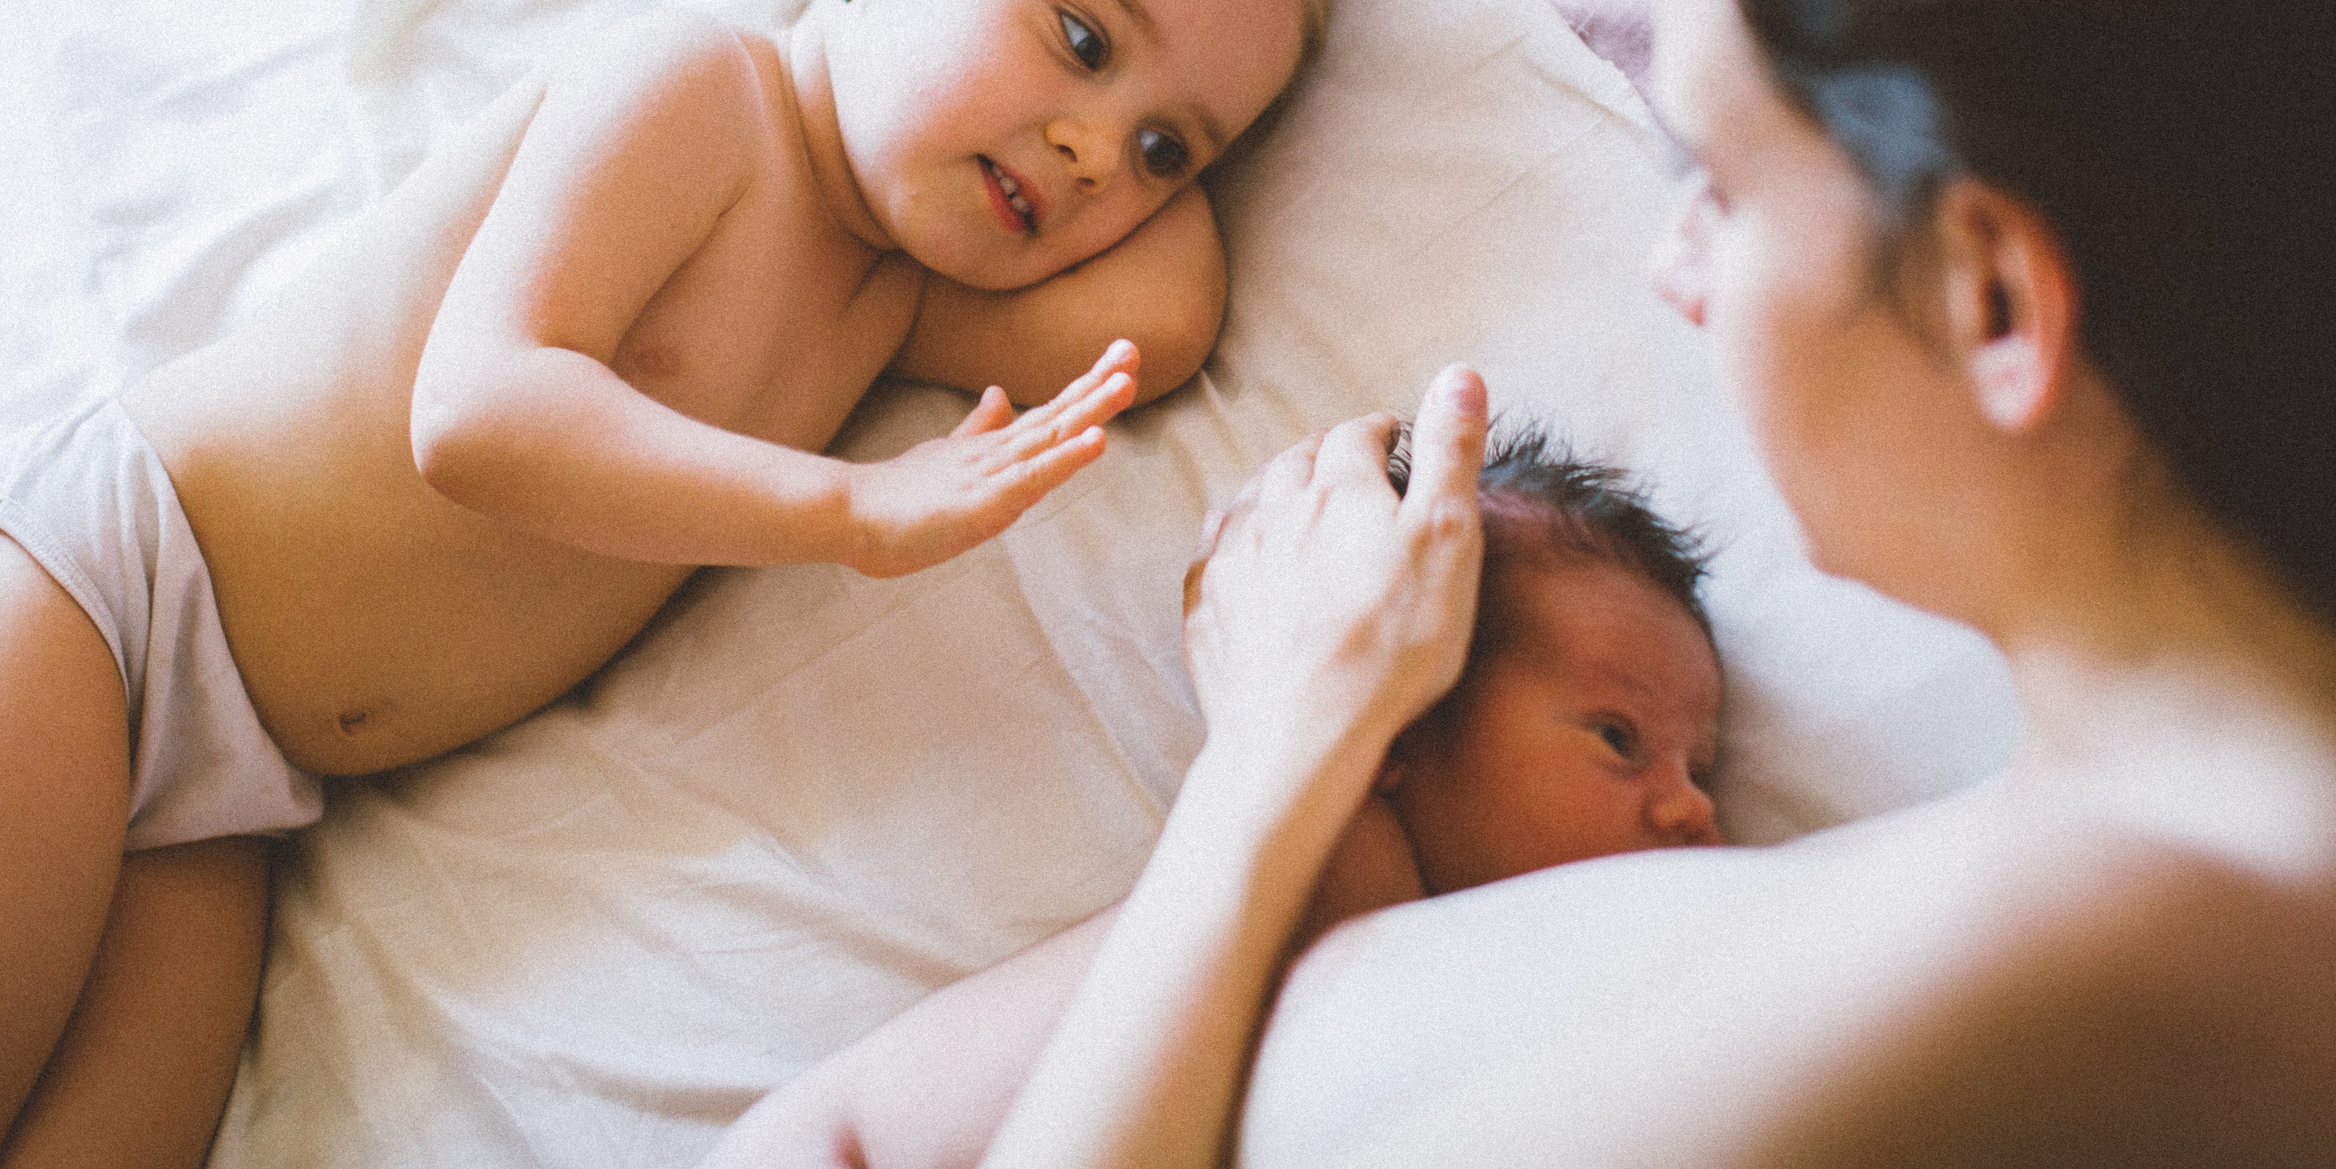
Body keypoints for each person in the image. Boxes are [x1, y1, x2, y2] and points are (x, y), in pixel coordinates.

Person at [0, 0, 1373, 1169]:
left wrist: (1165, 113)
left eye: (1172, 146)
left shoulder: (895, 305)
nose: (1099, 149)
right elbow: (478, 410)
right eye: (1083, 40)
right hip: (84, 605)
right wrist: (844, 508)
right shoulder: (698, 94)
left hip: (236, 802)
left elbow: (1161, 323)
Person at [951, 0, 2336, 1169]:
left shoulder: (2101, 947)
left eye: (1723, 189)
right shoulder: (2157, 831)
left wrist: (1274, 751)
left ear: (1995, 306)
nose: (1675, 272)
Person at [703, 427, 1726, 1169]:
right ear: (1406, 716)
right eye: (1618, 739)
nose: (1691, 813)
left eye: (1702, 771)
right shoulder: (1342, 860)